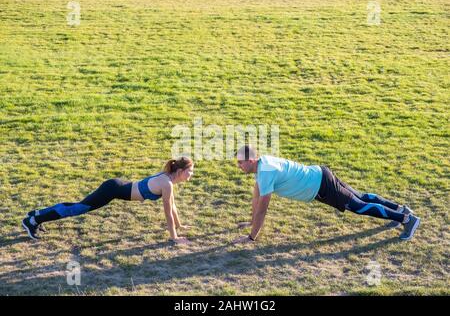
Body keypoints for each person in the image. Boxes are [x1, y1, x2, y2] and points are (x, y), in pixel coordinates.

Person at [233, 145, 420, 244]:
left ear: (250, 160)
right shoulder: (263, 164)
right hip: (320, 174)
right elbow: (256, 197)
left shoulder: (265, 172)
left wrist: (251, 237)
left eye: (240, 163)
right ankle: (401, 210)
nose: (239, 167)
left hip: (321, 186)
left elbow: (262, 210)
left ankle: (407, 220)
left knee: (359, 206)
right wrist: (251, 222)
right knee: (361, 197)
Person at [22, 157, 194, 244]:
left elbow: (172, 206)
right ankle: (33, 220)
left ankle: (37, 214)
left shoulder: (168, 179)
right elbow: (167, 214)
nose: (191, 175)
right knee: (77, 208)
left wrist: (179, 226)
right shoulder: (167, 183)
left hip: (116, 186)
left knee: (78, 206)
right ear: (180, 171)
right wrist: (174, 237)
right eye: (190, 171)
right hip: (112, 190)